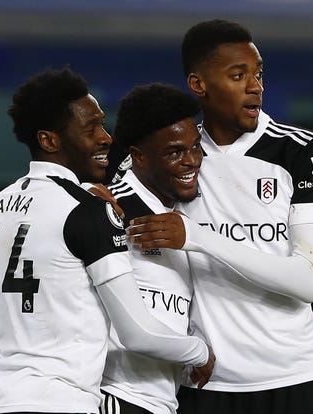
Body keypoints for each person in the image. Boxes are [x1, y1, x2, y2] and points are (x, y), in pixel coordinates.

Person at [0, 67, 213, 414]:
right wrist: (199, 352)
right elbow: (137, 332)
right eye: (91, 129)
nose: (107, 138)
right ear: (49, 140)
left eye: (102, 124)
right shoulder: (88, 210)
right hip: (58, 401)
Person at [125, 19, 313, 413]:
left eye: (258, 74)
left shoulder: (302, 152)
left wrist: (198, 237)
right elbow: (111, 204)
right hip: (207, 385)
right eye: (237, 75)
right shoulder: (176, 156)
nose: (255, 86)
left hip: (297, 378)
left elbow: (308, 280)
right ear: (199, 85)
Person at [100, 83, 211, 414]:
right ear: (139, 156)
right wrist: (199, 352)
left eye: (196, 147)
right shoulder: (107, 209)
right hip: (115, 394)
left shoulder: (188, 213)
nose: (191, 161)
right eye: (175, 152)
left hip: (164, 400)